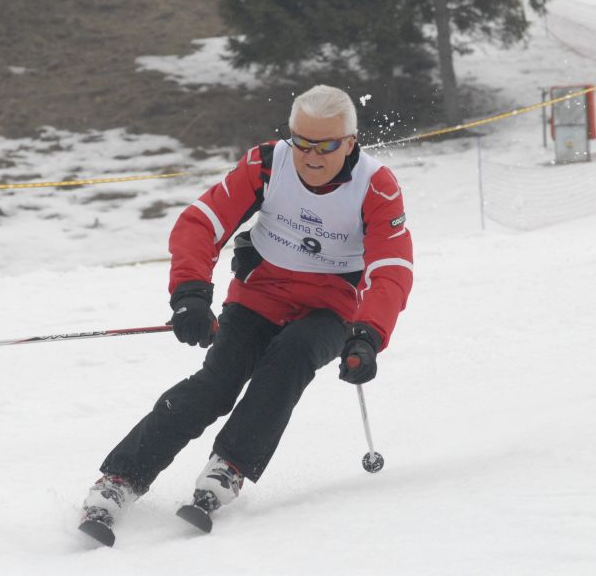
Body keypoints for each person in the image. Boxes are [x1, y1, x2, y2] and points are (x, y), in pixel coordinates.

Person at [79, 84, 413, 541]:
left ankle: (228, 467)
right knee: (217, 383)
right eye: (303, 142)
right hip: (260, 294)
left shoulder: (376, 186)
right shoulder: (266, 164)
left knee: (290, 357)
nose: (312, 156)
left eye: (327, 145)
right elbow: (202, 222)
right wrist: (191, 295)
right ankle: (119, 480)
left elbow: (391, 268)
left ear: (351, 142)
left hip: (332, 307)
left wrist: (368, 335)